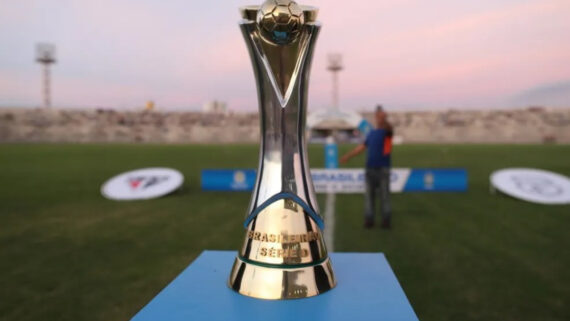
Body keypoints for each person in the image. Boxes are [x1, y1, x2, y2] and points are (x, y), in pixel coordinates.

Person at [340, 105, 394, 229]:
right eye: (377, 117)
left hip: (383, 169)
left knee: (384, 196)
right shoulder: (372, 134)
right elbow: (361, 148)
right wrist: (348, 156)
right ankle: (369, 220)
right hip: (370, 169)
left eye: (380, 117)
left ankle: (386, 220)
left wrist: (383, 117)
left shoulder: (387, 133)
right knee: (369, 197)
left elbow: (389, 127)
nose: (378, 119)